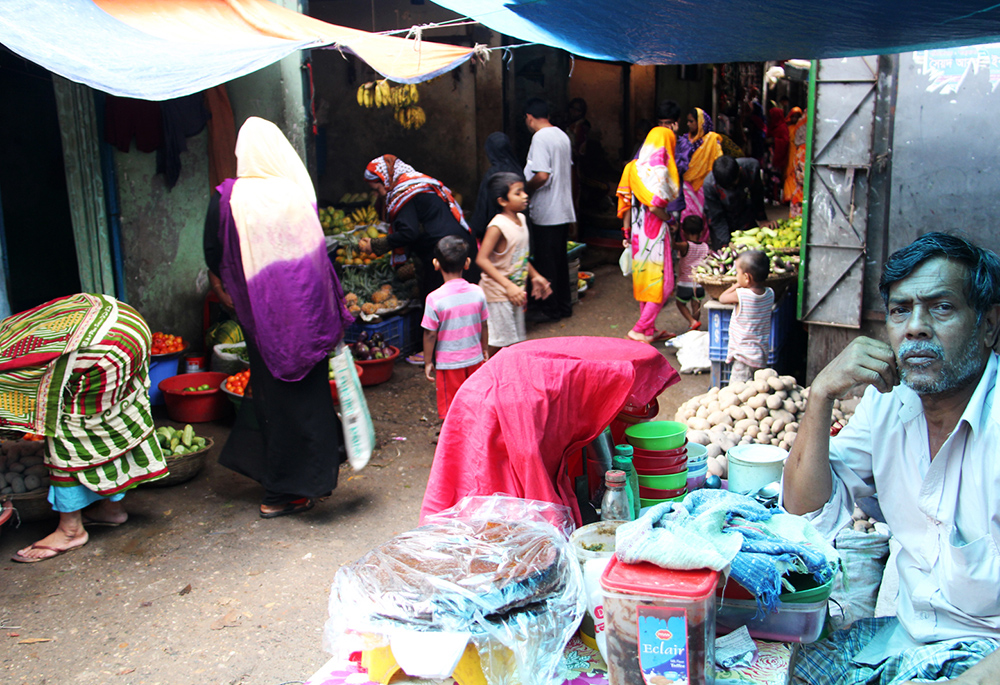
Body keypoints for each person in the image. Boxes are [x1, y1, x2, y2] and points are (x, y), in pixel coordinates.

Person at [784, 232, 1000, 685]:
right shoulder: (888, 403)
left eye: (941, 307)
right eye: (901, 310)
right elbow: (802, 509)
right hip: (904, 640)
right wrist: (821, 395)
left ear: (989, 326)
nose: (915, 327)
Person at [204, 116, 353, 519]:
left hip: (263, 317)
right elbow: (320, 258)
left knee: (273, 399)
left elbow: (213, 252)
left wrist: (229, 285)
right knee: (311, 397)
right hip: (308, 313)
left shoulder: (228, 198)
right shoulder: (296, 194)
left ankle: (283, 489)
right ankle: (311, 481)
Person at [4, 294, 168, 562]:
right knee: (109, 418)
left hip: (106, 345)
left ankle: (71, 531)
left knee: (66, 431)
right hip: (127, 323)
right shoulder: (7, 335)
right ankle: (110, 510)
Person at [359, 154, 479, 305]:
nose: (376, 195)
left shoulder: (404, 194)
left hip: (445, 253)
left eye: (377, 189)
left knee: (440, 307)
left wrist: (375, 244)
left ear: (386, 180)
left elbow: (409, 233)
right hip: (461, 245)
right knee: (465, 303)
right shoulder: (418, 184)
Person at [615, 122, 681, 344]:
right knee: (665, 284)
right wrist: (669, 219)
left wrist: (626, 234)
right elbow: (655, 206)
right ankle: (639, 328)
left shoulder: (632, 167)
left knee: (645, 281)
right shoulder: (659, 171)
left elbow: (624, 203)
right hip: (655, 233)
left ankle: (649, 330)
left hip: (636, 232)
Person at [475, 172, 552, 356]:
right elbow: (481, 259)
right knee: (499, 343)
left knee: (514, 341)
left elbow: (519, 257)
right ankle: (480, 375)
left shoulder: (522, 220)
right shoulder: (497, 226)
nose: (525, 195)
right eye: (518, 193)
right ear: (502, 201)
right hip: (498, 293)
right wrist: (508, 286)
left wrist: (535, 276)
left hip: (515, 293)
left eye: (524, 191)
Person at [422, 236, 489, 421]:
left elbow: (429, 334)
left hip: (448, 364)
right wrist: (484, 349)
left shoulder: (434, 298)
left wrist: (428, 361)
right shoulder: (477, 292)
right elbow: (484, 325)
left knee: (452, 410)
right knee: (475, 403)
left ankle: (454, 442)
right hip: (475, 359)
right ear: (467, 263)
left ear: (436, 264)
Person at [523, 98, 576, 322]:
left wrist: (525, 190)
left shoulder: (540, 137)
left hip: (547, 210)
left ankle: (551, 308)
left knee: (546, 261)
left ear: (529, 118)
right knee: (559, 260)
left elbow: (542, 175)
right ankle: (564, 305)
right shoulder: (561, 135)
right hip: (562, 208)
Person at [719, 249, 774, 384]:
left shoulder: (742, 295)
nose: (736, 275)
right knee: (756, 390)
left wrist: (737, 285)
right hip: (760, 356)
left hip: (743, 358)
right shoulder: (770, 293)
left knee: (738, 391)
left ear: (747, 277)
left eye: (738, 273)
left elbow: (722, 298)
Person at [676, 107, 724, 240]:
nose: (688, 124)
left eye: (691, 121)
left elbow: (717, 161)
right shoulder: (684, 140)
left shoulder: (712, 140)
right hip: (687, 184)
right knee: (685, 216)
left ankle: (701, 246)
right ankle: (686, 247)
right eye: (688, 121)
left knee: (701, 215)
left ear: (701, 122)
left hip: (703, 184)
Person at [702, 155, 768, 249]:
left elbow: (757, 194)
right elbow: (717, 217)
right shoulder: (709, 185)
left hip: (744, 211)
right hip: (722, 217)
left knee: (751, 247)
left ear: (740, 170)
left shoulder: (751, 167)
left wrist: (762, 219)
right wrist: (726, 243)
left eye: (733, 185)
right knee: (724, 250)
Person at [468, 132, 524, 240]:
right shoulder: (517, 169)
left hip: (497, 231)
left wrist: (475, 229)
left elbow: (483, 204)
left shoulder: (493, 174)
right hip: (516, 227)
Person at [673, 215, 711, 331]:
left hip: (685, 283)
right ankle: (695, 328)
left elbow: (672, 245)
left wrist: (673, 231)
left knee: (680, 304)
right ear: (702, 231)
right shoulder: (705, 246)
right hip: (699, 284)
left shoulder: (685, 246)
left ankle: (692, 321)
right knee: (696, 306)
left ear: (683, 232)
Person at [765, 106, 790, 202]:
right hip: (770, 157)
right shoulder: (772, 126)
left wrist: (773, 140)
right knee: (768, 176)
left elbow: (785, 141)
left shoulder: (782, 127)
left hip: (776, 157)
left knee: (775, 178)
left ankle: (775, 197)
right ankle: (769, 196)